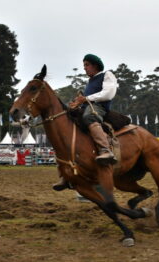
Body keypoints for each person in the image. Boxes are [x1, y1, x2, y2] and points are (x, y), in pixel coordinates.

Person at [53, 53, 118, 191]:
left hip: (99, 108)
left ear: (95, 66)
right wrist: (76, 104)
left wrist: (86, 98)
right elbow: (85, 101)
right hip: (87, 107)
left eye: (87, 65)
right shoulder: (91, 81)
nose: (85, 68)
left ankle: (105, 150)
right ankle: (66, 174)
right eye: (84, 66)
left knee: (89, 117)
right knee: (66, 119)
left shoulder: (107, 75)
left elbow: (109, 93)